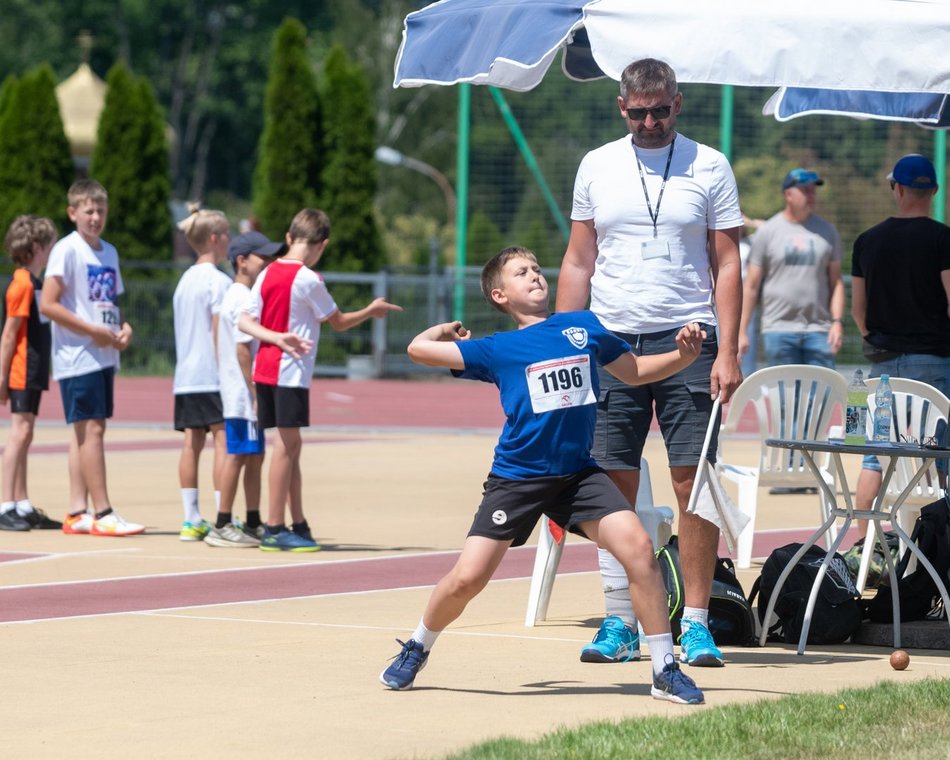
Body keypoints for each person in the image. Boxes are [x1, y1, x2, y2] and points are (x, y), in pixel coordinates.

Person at [379, 246, 706, 704]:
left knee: (639, 550)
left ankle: (664, 670)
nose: (534, 275)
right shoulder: (496, 348)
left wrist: (682, 356)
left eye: (536, 268)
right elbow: (417, 349)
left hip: (578, 474)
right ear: (499, 295)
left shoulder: (583, 326)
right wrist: (447, 330)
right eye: (520, 272)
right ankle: (417, 646)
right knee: (468, 579)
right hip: (518, 478)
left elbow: (634, 373)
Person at [556, 58, 744, 667]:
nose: (650, 122)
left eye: (660, 110)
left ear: (677, 103)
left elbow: (728, 263)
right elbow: (579, 260)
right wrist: (564, 339)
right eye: (638, 112)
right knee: (612, 483)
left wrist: (731, 350)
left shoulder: (710, 164)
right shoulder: (596, 165)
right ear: (621, 108)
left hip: (691, 339)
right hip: (610, 340)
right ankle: (620, 620)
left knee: (694, 480)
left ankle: (694, 620)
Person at [238, 208, 402, 552]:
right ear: (322, 245)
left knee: (290, 448)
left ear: (288, 237)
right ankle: (273, 527)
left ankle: (296, 522)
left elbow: (244, 322)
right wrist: (371, 311)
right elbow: (339, 321)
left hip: (266, 369)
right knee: (285, 449)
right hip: (288, 371)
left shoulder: (268, 273)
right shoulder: (308, 279)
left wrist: (274, 337)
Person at [39, 179, 141, 536]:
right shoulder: (67, 251)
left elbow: (110, 304)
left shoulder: (108, 253)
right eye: (88, 211)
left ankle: (76, 511)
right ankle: (104, 512)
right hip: (77, 353)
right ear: (73, 213)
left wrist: (122, 328)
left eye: (101, 210)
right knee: (93, 428)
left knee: (83, 433)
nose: (95, 217)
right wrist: (90, 331)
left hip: (103, 353)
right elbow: (47, 303)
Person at [851, 153, 950, 514]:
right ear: (934, 191)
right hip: (933, 362)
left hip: (881, 366)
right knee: (939, 456)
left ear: (898, 189)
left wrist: (878, 337)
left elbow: (857, 313)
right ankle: (936, 545)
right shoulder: (943, 239)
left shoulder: (867, 241)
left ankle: (864, 550)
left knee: (874, 457)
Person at [205, 231, 285, 548]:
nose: (268, 262)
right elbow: (242, 348)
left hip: (242, 391)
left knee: (254, 456)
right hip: (242, 394)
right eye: (261, 257)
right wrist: (253, 387)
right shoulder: (241, 296)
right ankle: (222, 523)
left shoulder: (240, 294)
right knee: (238, 455)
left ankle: (252, 521)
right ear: (242, 261)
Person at [739, 168, 845, 369]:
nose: (812, 195)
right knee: (785, 398)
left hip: (819, 330)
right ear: (788, 194)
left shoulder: (827, 231)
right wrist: (742, 331)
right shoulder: (768, 231)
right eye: (805, 190)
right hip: (778, 328)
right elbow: (751, 286)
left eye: (814, 190)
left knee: (822, 396)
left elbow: (836, 282)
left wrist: (837, 322)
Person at [172, 208, 232, 542]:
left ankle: (190, 517)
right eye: (226, 235)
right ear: (213, 238)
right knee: (222, 441)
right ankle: (224, 515)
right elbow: (217, 332)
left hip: (186, 375)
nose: (229, 241)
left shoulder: (184, 281)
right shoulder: (218, 281)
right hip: (212, 374)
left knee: (191, 442)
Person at [0, 215, 61, 531]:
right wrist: (2, 375)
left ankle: (21, 503)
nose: (52, 251)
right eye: (50, 245)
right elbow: (9, 333)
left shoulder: (36, 284)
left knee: (27, 433)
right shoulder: (22, 283)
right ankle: (5, 504)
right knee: (19, 433)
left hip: (34, 369)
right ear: (37, 247)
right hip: (22, 369)